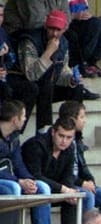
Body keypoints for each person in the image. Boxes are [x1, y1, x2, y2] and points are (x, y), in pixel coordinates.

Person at [16, 9, 99, 134]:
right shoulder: (30, 41)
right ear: (45, 26)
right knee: (45, 85)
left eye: (58, 30)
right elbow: (31, 75)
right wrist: (48, 53)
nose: (54, 33)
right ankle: (43, 132)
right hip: (30, 87)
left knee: (76, 88)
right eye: (51, 28)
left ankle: (72, 133)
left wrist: (71, 79)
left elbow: (62, 72)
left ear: (64, 29)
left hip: (49, 87)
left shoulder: (64, 43)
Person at [21, 115, 90, 224]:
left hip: (54, 190)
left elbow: (68, 175)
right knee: (44, 187)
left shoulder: (69, 149)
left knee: (79, 195)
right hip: (31, 189)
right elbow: (36, 175)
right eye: (61, 136)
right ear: (53, 132)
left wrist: (69, 191)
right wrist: (64, 189)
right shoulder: (36, 145)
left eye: (69, 137)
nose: (64, 141)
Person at [0, 99, 51, 224]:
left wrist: (29, 180)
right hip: (6, 181)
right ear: (15, 119)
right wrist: (19, 182)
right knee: (13, 188)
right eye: (23, 116)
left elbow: (19, 164)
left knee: (42, 187)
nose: (24, 119)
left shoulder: (14, 138)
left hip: (10, 178)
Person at [0, 2, 38, 134]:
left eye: (1, 16)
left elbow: (11, 59)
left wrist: (8, 59)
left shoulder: (3, 32)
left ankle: (15, 131)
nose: (0, 19)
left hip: (5, 75)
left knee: (30, 88)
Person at [65, 0, 101, 78]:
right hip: (69, 24)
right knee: (95, 23)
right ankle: (83, 62)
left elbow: (84, 13)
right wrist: (73, 16)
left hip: (81, 23)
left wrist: (93, 17)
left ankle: (92, 62)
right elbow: (57, 15)